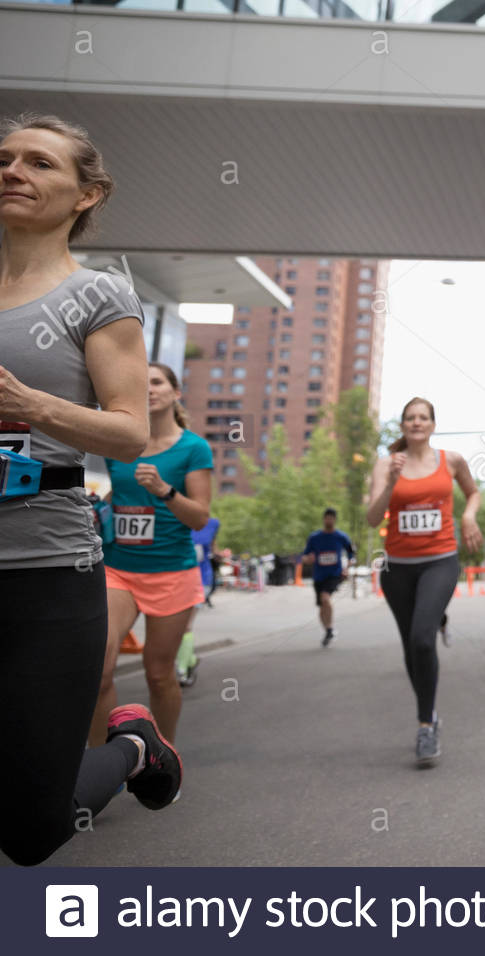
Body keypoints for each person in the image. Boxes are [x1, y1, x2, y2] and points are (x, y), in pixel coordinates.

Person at [0, 113, 182, 865]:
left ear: (85, 194)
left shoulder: (95, 296)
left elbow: (128, 432)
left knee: (34, 830)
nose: (13, 171)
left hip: (47, 565)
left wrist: (33, 406)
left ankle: (136, 747)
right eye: (4, 158)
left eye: (39, 163)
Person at [91, 363, 214, 746]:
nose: (149, 389)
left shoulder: (193, 448)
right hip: (119, 570)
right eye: (141, 383)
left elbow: (200, 517)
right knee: (100, 669)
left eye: (157, 382)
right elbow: (122, 497)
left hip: (171, 574)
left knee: (158, 674)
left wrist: (164, 490)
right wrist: (100, 506)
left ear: (175, 392)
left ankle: (162, 760)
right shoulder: (121, 445)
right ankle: (102, 766)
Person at [367, 397, 482, 768]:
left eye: (423, 417)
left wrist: (468, 517)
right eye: (410, 418)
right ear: (402, 426)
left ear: (432, 424)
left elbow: (474, 493)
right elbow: (372, 518)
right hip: (398, 567)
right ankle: (430, 713)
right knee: (410, 649)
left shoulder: (450, 460)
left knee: (421, 638)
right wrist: (391, 484)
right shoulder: (386, 464)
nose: (416, 423)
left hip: (440, 561)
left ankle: (424, 725)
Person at [176, 515, 220, 687]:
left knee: (186, 624)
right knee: (178, 626)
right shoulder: (169, 518)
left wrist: (217, 555)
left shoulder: (212, 523)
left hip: (200, 580)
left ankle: (182, 670)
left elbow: (212, 546)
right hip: (173, 580)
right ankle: (190, 659)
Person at [303, 507, 355, 646]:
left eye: (332, 518)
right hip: (319, 576)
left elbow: (352, 554)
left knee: (325, 598)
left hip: (335, 574)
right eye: (327, 517)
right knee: (321, 607)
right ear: (324, 519)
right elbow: (305, 557)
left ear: (335, 520)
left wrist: (346, 569)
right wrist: (309, 559)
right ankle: (328, 630)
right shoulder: (314, 538)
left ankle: (330, 627)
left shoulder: (341, 537)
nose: (329, 520)